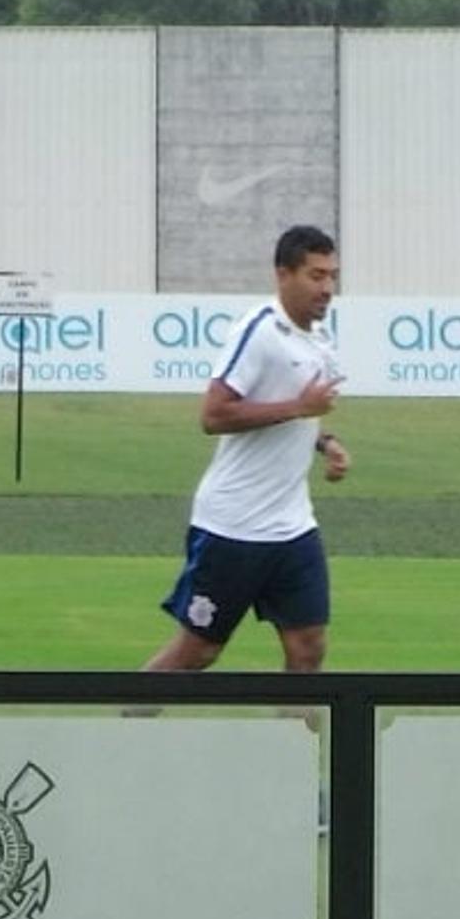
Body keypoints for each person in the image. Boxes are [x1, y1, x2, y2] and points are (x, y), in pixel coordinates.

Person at [144, 225, 351, 672]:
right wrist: (299, 407)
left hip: (292, 526)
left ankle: (293, 741)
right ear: (283, 274)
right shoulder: (259, 331)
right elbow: (214, 415)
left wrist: (326, 441)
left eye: (332, 276)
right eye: (316, 276)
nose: (328, 288)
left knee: (308, 647)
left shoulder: (318, 339)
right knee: (198, 651)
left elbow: (302, 410)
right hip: (233, 526)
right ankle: (123, 725)